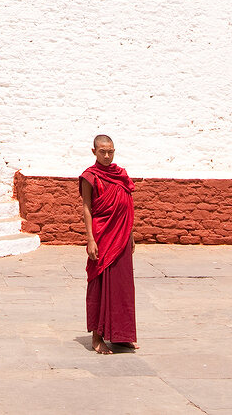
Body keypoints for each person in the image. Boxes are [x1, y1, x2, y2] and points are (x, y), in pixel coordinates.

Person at [79, 134, 137, 354]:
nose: (106, 155)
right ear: (94, 152)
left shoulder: (120, 175)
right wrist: (91, 239)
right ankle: (97, 337)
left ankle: (122, 335)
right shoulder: (89, 176)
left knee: (122, 285)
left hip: (122, 235)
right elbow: (87, 208)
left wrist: (130, 232)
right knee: (101, 283)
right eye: (102, 151)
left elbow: (128, 204)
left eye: (110, 151)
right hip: (102, 235)